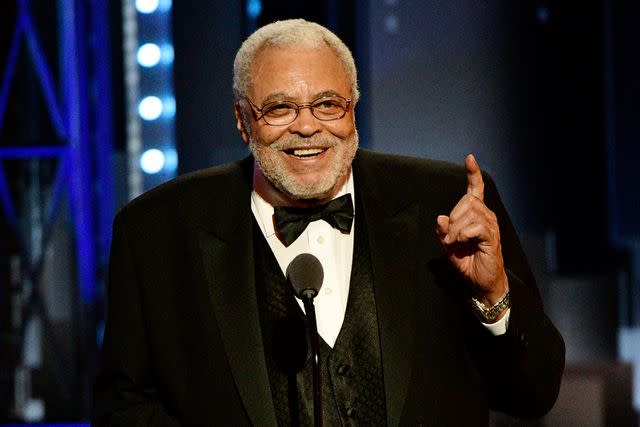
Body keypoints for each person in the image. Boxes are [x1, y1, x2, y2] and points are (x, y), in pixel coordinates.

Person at [93, 19, 564, 426]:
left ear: (352, 110)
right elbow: (124, 410)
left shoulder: (446, 205)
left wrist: (495, 297)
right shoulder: (156, 231)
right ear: (242, 120)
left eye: (327, 104)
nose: (306, 126)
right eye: (279, 108)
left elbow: (533, 395)